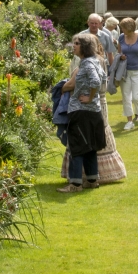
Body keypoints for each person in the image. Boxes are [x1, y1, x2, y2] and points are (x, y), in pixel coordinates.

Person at [60, 33, 107, 192]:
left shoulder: (87, 64)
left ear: (85, 47)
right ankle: (92, 180)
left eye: (77, 43)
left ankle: (75, 184)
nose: (74, 46)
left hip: (81, 110)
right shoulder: (95, 61)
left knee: (77, 146)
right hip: (94, 111)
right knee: (90, 146)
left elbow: (96, 81)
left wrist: (89, 96)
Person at [118, 15, 138, 131]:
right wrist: (120, 57)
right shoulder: (121, 38)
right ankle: (129, 121)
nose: (122, 30)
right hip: (125, 71)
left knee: (136, 96)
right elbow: (119, 53)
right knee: (126, 97)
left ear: (129, 28)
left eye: (123, 28)